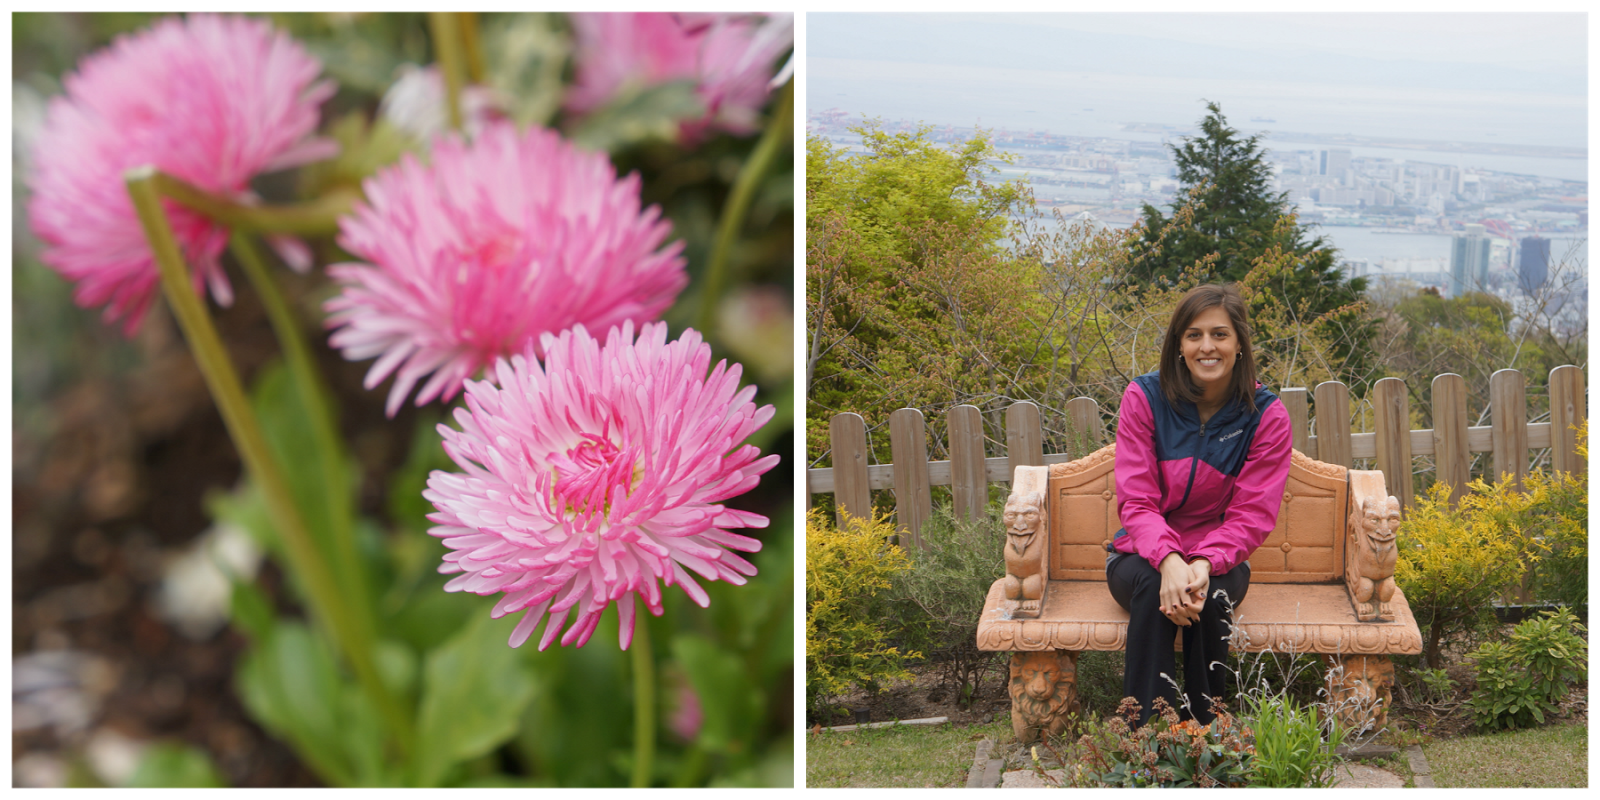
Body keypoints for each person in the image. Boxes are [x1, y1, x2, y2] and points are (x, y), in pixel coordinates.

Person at [1105, 283, 1292, 728]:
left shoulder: (1265, 416)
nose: (1207, 346)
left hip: (1221, 560)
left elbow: (1252, 515)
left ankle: (1206, 736)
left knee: (1212, 597)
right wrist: (1169, 559)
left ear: (1240, 344)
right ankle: (1147, 741)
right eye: (1193, 335)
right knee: (1154, 588)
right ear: (1179, 345)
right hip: (1139, 556)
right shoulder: (1145, 398)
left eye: (1220, 334)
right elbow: (1137, 499)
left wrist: (1204, 562)